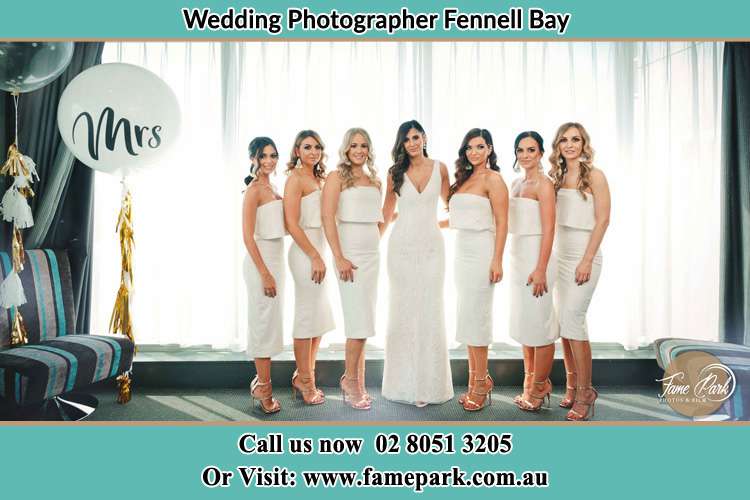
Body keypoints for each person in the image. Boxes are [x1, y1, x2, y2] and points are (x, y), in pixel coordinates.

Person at [381, 119, 454, 407]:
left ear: (424, 137)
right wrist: (367, 249)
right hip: (400, 249)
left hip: (433, 248)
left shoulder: (441, 168)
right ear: (401, 144)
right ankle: (403, 385)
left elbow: (455, 208)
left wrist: (433, 226)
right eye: (406, 139)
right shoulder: (394, 173)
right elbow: (386, 215)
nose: (412, 143)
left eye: (415, 137)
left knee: (430, 310)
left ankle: (431, 386)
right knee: (403, 312)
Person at [548, 122, 611, 421]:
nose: (570, 145)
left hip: (585, 255)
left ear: (584, 143)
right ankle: (573, 384)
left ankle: (586, 391)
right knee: (564, 323)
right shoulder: (556, 177)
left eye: (576, 139)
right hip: (561, 255)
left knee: (574, 319)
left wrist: (586, 259)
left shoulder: (595, 176)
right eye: (564, 140)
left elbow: (603, 220)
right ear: (558, 146)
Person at [321, 128, 383, 411]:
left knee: (365, 320)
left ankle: (357, 380)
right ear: (346, 148)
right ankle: (350, 381)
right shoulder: (336, 178)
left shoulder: (374, 180)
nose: (359, 150)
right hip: (349, 255)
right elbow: (327, 217)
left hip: (372, 255)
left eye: (364, 145)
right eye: (354, 145)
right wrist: (339, 256)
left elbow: (378, 221)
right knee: (357, 321)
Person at [447, 128, 508, 412]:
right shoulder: (464, 179)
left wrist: (497, 259)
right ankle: (477, 380)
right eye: (469, 147)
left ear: (490, 149)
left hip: (484, 250)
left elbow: (502, 222)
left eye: (480, 147)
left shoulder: (494, 180)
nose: (474, 152)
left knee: (478, 316)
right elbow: (459, 219)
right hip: (462, 250)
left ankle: (481, 383)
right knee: (468, 316)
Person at [507, 131, 558, 412]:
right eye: (521, 150)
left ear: (540, 153)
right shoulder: (515, 184)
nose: (525, 155)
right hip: (517, 254)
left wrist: (541, 269)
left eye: (531, 150)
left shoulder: (544, 185)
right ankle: (530, 384)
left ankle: (540, 386)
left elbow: (549, 229)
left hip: (538, 255)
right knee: (526, 323)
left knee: (540, 323)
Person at [284, 130, 335, 405]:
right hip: (305, 251)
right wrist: (314, 255)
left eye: (317, 146)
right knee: (306, 315)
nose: (313, 152)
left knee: (317, 317)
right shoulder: (295, 180)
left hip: (321, 249)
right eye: (307, 147)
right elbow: (292, 224)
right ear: (297, 151)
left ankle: (304, 375)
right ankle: (305, 382)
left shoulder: (321, 178)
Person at [241, 137, 284, 414]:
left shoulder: (273, 187)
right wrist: (265, 273)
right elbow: (247, 237)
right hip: (261, 262)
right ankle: (264, 390)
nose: (269, 160)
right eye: (263, 156)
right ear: (253, 159)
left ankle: (261, 382)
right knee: (263, 324)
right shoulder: (254, 190)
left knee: (270, 323)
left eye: (273, 155)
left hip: (276, 259)